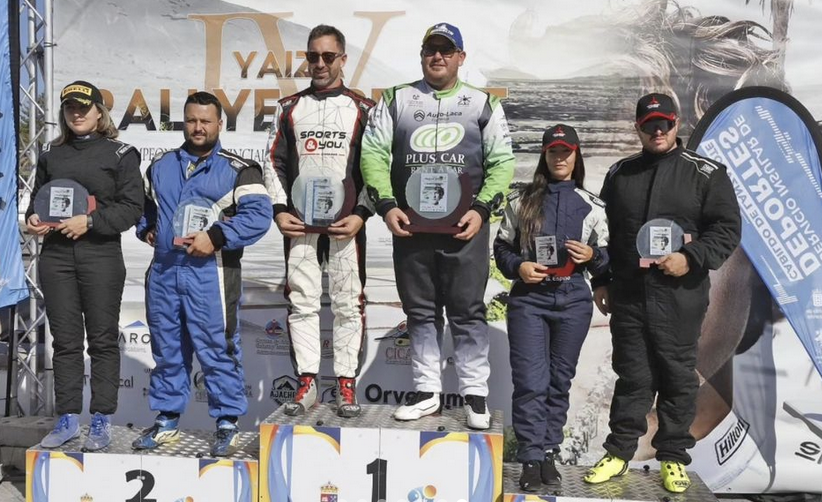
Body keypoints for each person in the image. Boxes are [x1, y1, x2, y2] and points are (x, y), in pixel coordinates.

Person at [361, 22, 515, 429]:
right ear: (422, 54)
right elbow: (373, 154)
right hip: (412, 228)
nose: (438, 56)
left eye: (447, 50)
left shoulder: (482, 103)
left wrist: (481, 210)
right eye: (431, 49)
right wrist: (387, 205)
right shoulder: (396, 99)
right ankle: (427, 391)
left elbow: (502, 162)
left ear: (461, 57)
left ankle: (475, 395)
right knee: (420, 312)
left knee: (467, 310)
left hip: (465, 228)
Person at [584, 93, 741, 493]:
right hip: (630, 296)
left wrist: (690, 257)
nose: (658, 131)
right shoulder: (620, 174)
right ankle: (619, 453)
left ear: (677, 124)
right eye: (649, 125)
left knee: (677, 377)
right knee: (632, 376)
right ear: (638, 128)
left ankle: (672, 457)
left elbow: (727, 230)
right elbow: (604, 234)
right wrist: (601, 280)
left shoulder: (706, 173)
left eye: (665, 124)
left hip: (680, 297)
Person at [132, 91, 271, 456]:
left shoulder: (239, 169)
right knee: (167, 349)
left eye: (205, 121)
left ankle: (227, 423)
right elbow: (145, 207)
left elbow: (259, 216)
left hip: (211, 275)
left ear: (219, 124)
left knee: (218, 349)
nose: (198, 127)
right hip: (164, 272)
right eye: (192, 120)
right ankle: (167, 420)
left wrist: (217, 236)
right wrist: (147, 229)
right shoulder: (160, 165)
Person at [263, 24, 375, 418]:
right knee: (302, 302)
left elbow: (376, 167)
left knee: (348, 304)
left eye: (328, 56)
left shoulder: (364, 108)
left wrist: (361, 214)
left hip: (346, 226)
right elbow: (273, 161)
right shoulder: (289, 107)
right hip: (301, 225)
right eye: (313, 56)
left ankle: (346, 383)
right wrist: (280, 210)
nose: (320, 63)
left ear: (343, 59)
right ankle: (307, 381)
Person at [26, 81, 143, 450]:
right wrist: (33, 220)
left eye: (83, 107)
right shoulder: (51, 152)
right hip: (56, 256)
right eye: (70, 108)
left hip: (101, 255)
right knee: (64, 341)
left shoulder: (121, 153)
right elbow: (36, 201)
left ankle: (102, 419)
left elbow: (132, 209)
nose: (76, 113)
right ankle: (68, 418)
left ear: (99, 111)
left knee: (103, 339)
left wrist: (90, 222)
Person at [494, 124, 609, 491]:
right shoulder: (521, 201)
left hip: (574, 298)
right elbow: (502, 248)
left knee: (559, 381)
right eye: (553, 151)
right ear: (544, 156)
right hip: (530, 299)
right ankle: (530, 456)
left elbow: (608, 257)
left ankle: (548, 453)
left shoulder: (593, 205)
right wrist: (518, 267)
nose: (560, 158)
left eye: (566, 152)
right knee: (531, 381)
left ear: (576, 156)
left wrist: (593, 256)